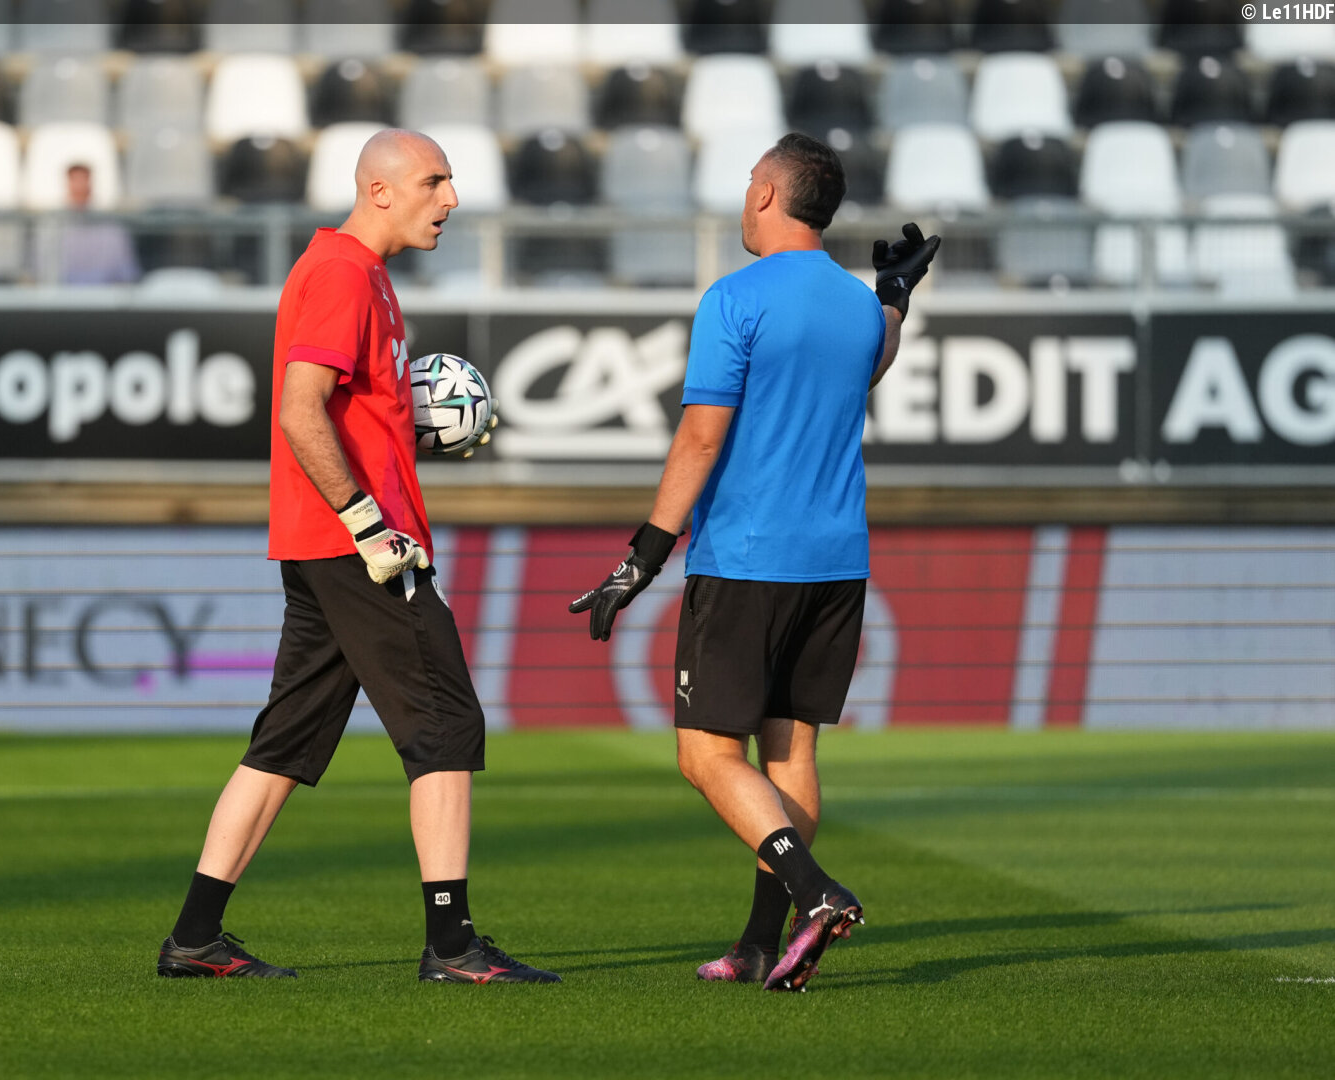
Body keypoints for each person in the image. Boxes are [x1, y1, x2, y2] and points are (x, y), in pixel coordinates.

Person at [157, 130, 559, 985]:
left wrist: (401, 426)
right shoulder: (343, 272)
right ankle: (452, 946)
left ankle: (195, 936)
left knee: (285, 742)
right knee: (447, 726)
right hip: (362, 547)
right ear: (379, 190)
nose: (450, 200)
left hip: (328, 543)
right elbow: (299, 410)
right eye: (434, 182)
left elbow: (339, 413)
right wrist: (369, 523)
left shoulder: (360, 271)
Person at [569, 132, 939, 992]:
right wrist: (894, 298)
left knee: (704, 756)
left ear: (768, 194)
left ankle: (815, 894)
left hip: (747, 559)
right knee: (790, 751)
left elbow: (701, 437)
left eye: (748, 184)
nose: (743, 197)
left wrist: (642, 557)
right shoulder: (858, 307)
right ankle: (761, 945)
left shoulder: (733, 299)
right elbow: (870, 365)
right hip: (836, 562)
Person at [41, 163, 140, 285]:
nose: (80, 187)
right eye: (75, 182)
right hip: (62, 293)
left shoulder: (112, 228)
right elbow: (41, 273)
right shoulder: (50, 227)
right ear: (68, 184)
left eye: (83, 181)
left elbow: (126, 274)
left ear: (90, 184)